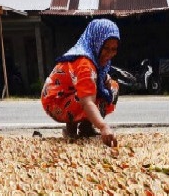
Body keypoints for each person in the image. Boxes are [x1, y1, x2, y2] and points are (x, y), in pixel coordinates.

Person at [41, 19, 120, 147]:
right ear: (97, 42)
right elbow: (87, 100)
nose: (110, 54)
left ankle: (85, 127)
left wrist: (105, 81)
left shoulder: (96, 58)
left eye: (114, 49)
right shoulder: (85, 63)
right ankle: (71, 127)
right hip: (56, 103)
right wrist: (103, 127)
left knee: (112, 87)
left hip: (69, 95)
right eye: (106, 48)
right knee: (86, 94)